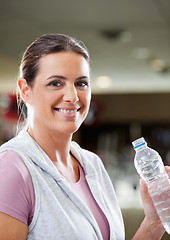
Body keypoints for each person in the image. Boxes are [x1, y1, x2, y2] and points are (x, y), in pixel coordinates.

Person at [0, 33, 169, 240]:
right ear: (25, 90)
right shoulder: (11, 168)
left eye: (81, 83)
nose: (72, 96)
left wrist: (153, 224)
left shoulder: (92, 165)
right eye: (55, 83)